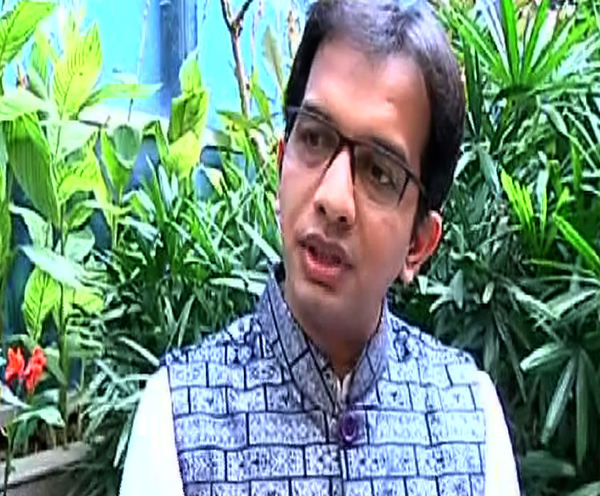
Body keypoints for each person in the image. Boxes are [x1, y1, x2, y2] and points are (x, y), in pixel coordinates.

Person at [120, 0, 521, 495]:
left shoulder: (471, 425)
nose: (333, 199)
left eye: (379, 171)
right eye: (314, 138)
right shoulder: (176, 421)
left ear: (419, 243)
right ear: (280, 168)